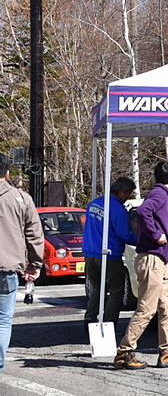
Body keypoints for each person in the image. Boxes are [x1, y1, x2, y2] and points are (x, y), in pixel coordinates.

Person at [114, 161, 168, 370]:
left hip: (162, 261)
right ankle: (124, 352)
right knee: (147, 309)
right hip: (152, 259)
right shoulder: (159, 194)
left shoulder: (161, 194)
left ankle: (167, 352)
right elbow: (142, 212)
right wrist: (157, 235)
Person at [0, 152, 44, 373]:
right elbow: (35, 235)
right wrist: (35, 265)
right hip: (8, 268)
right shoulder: (22, 198)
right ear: (7, 172)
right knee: (3, 321)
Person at [83, 176, 138, 332]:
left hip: (90, 252)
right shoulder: (118, 209)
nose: (128, 197)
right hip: (109, 254)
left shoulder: (95, 203)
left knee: (96, 287)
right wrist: (143, 240)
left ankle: (90, 318)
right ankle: (109, 323)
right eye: (128, 193)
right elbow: (124, 235)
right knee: (115, 291)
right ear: (121, 192)